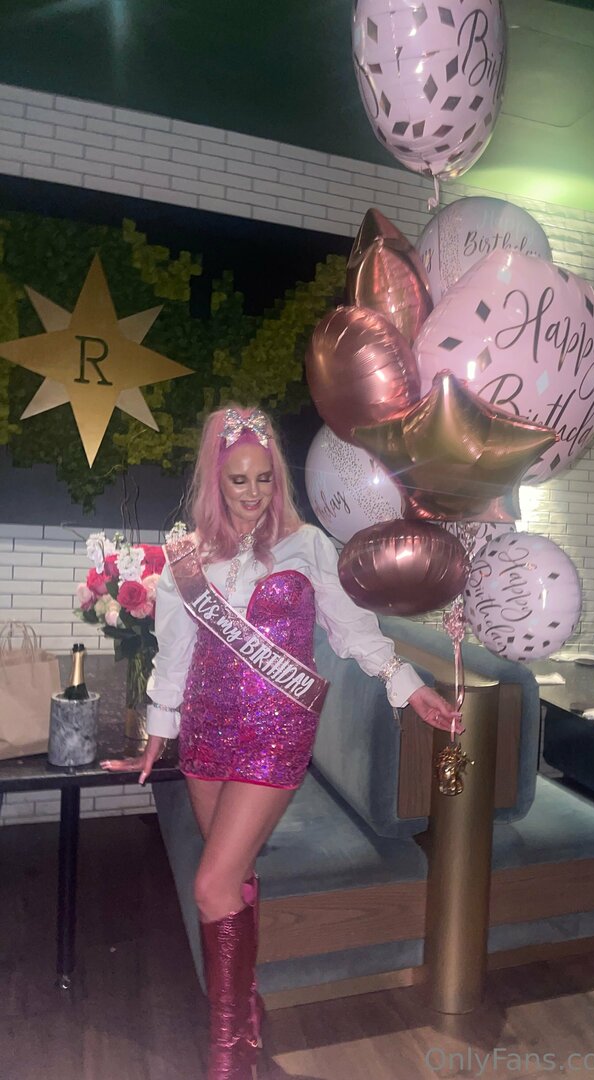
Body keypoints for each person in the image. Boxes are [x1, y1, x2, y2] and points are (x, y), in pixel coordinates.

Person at [102, 404, 461, 1080]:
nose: (253, 493)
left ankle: (226, 1052)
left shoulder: (310, 547)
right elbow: (175, 654)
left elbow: (355, 634)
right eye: (238, 480)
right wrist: (159, 731)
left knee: (211, 883)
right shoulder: (186, 559)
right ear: (216, 481)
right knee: (234, 878)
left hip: (276, 730)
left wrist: (410, 688)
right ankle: (247, 1008)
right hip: (206, 731)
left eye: (264, 478)